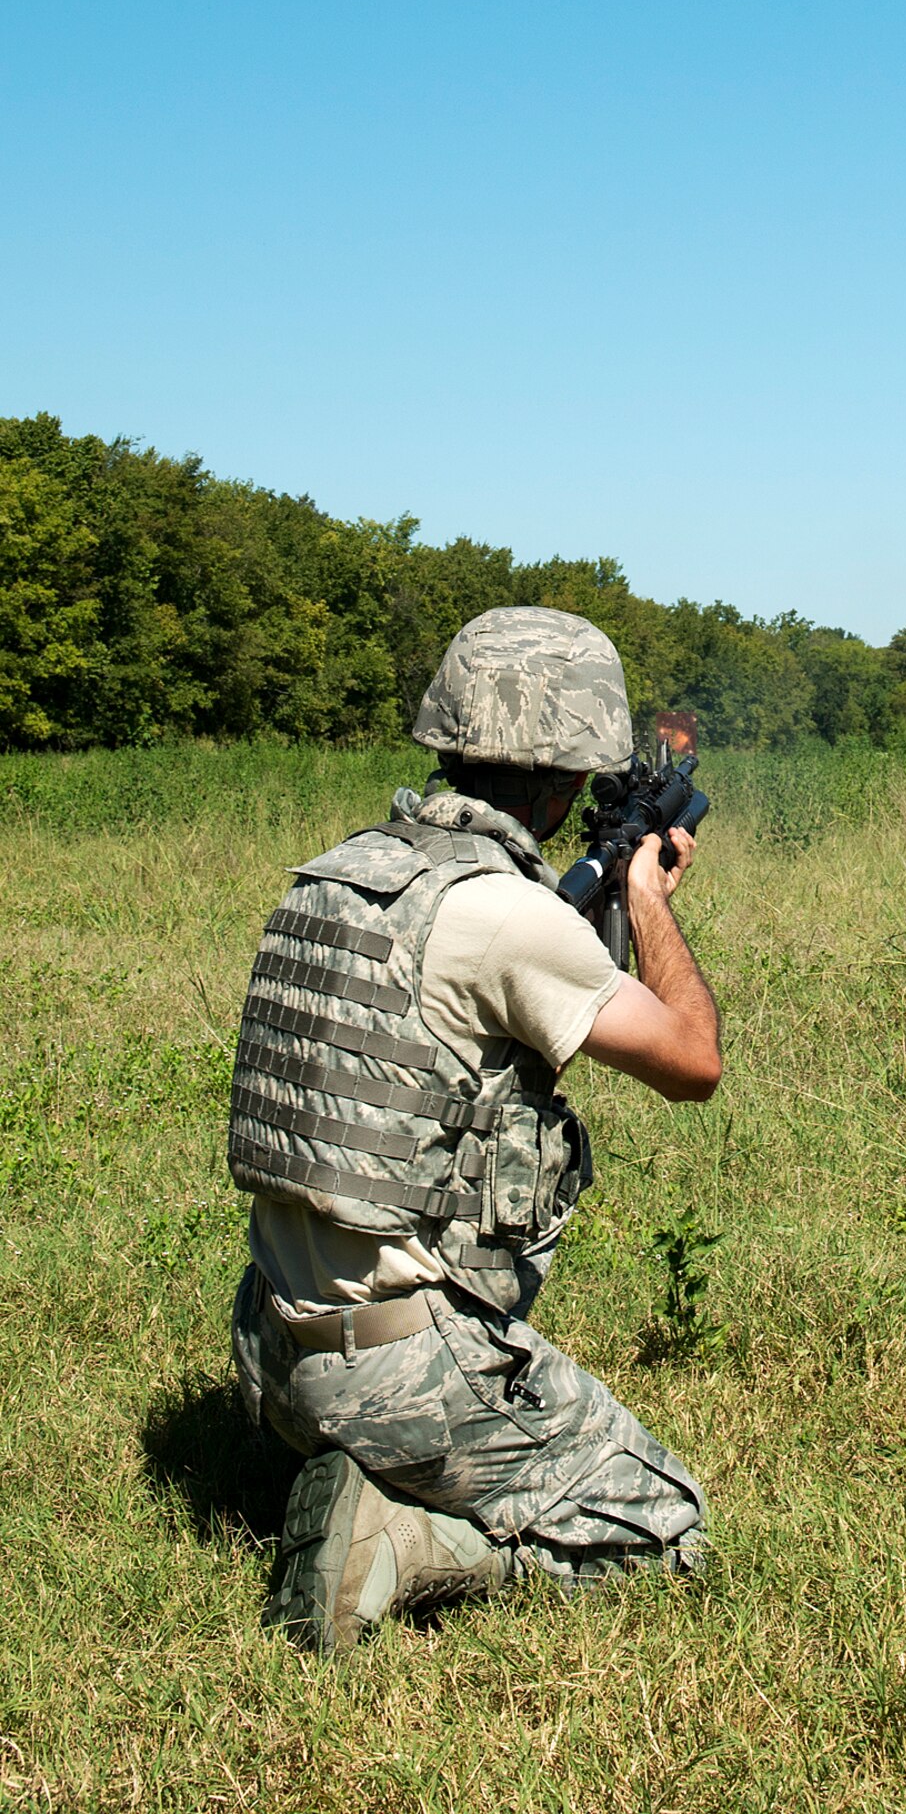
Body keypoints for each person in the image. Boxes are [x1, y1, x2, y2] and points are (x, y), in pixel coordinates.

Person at [229, 607, 722, 1653]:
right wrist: (646, 892)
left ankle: (357, 1465)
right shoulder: (504, 914)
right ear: (565, 780)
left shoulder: (334, 875)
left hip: (272, 1348)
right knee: (664, 1525)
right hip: (394, 1370)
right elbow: (692, 1061)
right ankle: (403, 1537)